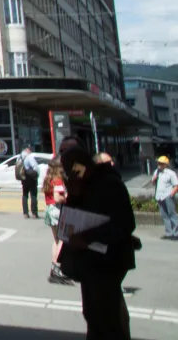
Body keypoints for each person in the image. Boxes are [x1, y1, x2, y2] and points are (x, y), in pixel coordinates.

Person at [57, 146, 137, 340]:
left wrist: (87, 237)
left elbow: (125, 223)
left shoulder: (108, 184)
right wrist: (73, 194)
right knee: (93, 314)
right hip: (89, 262)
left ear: (80, 166)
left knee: (106, 318)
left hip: (107, 261)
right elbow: (70, 219)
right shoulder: (83, 186)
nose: (67, 174)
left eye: (69, 169)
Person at [41, 160, 71, 285]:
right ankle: (57, 267)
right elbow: (58, 197)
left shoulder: (48, 179)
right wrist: (67, 197)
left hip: (49, 209)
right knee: (62, 240)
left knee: (56, 240)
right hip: (57, 210)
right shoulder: (58, 180)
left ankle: (55, 267)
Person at [150, 155, 178, 240]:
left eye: (161, 163)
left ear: (166, 164)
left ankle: (176, 233)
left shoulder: (170, 173)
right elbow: (153, 183)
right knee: (164, 215)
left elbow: (176, 185)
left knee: (172, 214)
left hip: (167, 196)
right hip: (159, 196)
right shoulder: (157, 172)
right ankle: (168, 233)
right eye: (158, 163)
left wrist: (171, 195)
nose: (159, 165)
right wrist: (154, 179)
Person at [17, 144, 40, 219]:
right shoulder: (29, 157)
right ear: (27, 150)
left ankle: (25, 213)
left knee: (25, 195)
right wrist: (37, 175)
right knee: (33, 195)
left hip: (23, 178)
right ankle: (34, 213)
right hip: (31, 178)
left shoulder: (19, 157)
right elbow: (35, 167)